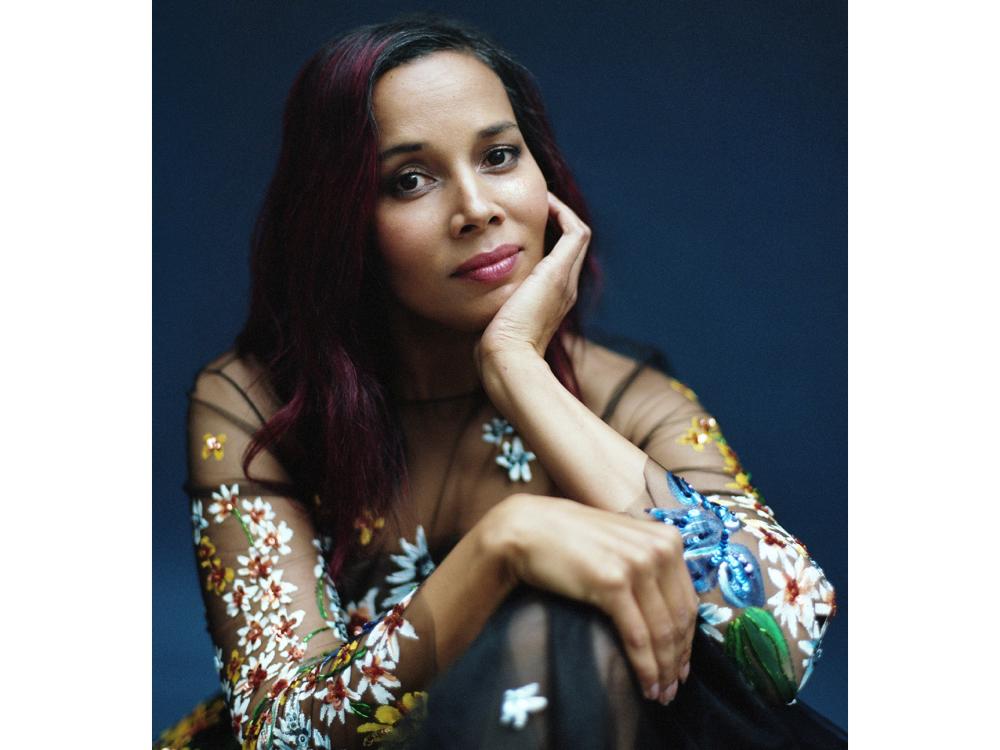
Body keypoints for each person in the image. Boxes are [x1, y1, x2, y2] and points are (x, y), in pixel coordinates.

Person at [157, 16, 844, 750]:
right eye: (410, 179)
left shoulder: (625, 394)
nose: (477, 208)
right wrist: (502, 546)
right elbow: (282, 731)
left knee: (576, 647)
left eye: (498, 156)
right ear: (342, 219)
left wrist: (519, 367)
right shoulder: (255, 405)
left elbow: (782, 648)